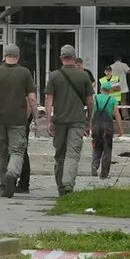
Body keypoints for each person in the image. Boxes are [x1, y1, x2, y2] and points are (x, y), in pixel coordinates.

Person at [44, 44, 95, 193]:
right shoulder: (84, 75)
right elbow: (90, 101)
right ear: (74, 57)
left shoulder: (54, 75)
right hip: (78, 121)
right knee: (73, 153)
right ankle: (68, 183)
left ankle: (60, 185)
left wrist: (48, 121)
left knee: (59, 154)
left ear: (61, 58)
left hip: (59, 121)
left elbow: (48, 100)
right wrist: (89, 121)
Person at [0, 42, 36, 195]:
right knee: (17, 151)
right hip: (18, 120)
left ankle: (3, 182)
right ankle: (11, 174)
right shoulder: (25, 73)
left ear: (4, 56)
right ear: (18, 56)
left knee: (0, 152)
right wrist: (35, 115)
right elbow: (32, 98)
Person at [88, 65, 121, 180]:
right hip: (107, 127)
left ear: (101, 89)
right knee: (107, 149)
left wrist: (89, 125)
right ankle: (104, 174)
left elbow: (92, 113)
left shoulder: (95, 98)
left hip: (96, 125)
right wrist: (121, 129)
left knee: (96, 146)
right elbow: (117, 114)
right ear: (110, 90)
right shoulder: (112, 100)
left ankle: (94, 165)